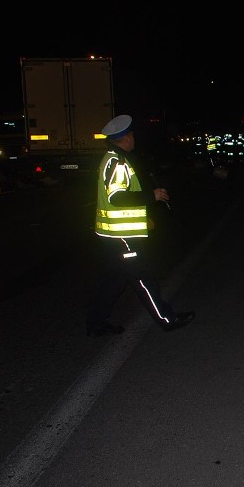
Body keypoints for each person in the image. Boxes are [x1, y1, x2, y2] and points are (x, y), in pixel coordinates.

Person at [85, 114, 195, 337]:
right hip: (123, 236)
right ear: (125, 138)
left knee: (113, 281)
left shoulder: (111, 158)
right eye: (132, 134)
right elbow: (117, 197)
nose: (134, 138)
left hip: (112, 236)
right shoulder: (117, 163)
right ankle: (168, 319)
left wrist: (143, 217)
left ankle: (95, 325)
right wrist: (150, 196)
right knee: (143, 278)